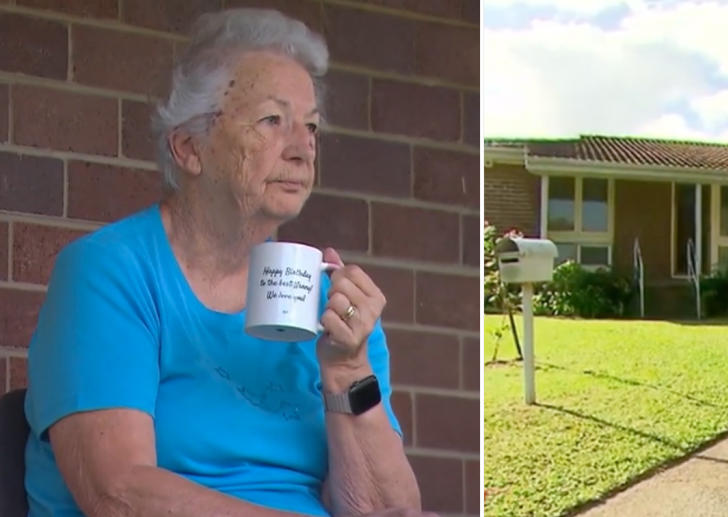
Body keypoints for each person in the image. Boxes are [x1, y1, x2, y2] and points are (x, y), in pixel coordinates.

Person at [23, 8, 433, 517]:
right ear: (190, 148)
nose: (303, 149)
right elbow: (119, 495)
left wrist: (348, 370)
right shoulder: (112, 273)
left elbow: (387, 512)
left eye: (311, 127)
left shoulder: (336, 311)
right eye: (271, 121)